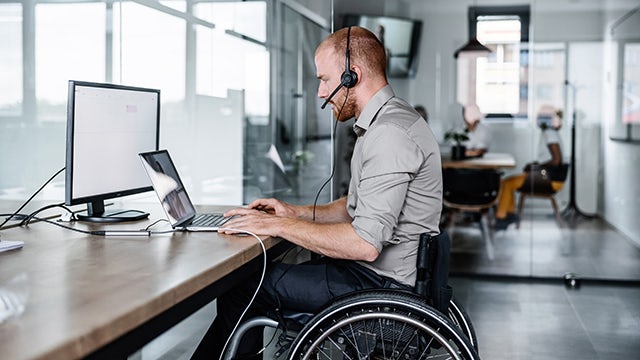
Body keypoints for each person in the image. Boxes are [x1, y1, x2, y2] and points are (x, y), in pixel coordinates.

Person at [191, 26, 443, 359]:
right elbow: (354, 209)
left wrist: (277, 227)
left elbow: (365, 244)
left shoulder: (389, 134)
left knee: (243, 287)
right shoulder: (383, 123)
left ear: (352, 76)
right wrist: (293, 213)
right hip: (377, 277)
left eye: (324, 80)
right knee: (254, 278)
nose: (321, 92)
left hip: (378, 285)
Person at [495, 105, 564, 230]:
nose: (538, 119)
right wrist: (535, 165)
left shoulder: (550, 133)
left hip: (550, 178)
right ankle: (508, 214)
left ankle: (502, 217)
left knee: (507, 184)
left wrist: (536, 167)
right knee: (507, 182)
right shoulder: (548, 133)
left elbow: (556, 160)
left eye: (540, 117)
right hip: (546, 174)